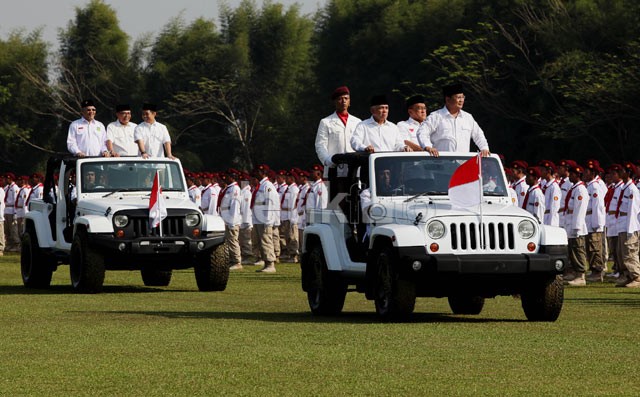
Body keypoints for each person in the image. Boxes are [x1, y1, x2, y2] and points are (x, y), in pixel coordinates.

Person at [417, 83, 490, 157]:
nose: (461, 100)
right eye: (458, 97)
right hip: (441, 163)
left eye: (463, 97)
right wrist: (428, 147)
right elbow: (422, 132)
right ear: (448, 99)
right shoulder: (436, 116)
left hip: (462, 164)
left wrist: (484, 148)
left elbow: (478, 135)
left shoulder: (468, 117)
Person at [315, 86, 362, 182]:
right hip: (334, 169)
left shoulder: (358, 122)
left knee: (353, 195)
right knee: (337, 197)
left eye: (346, 98)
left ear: (349, 101)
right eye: (340, 99)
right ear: (335, 102)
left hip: (354, 170)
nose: (343, 101)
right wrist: (328, 160)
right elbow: (320, 145)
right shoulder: (326, 122)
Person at [614, 162, 640, 288]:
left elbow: (633, 210)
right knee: (621, 252)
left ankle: (636, 276)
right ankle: (628, 275)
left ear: (628, 173)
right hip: (622, 223)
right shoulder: (624, 188)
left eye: (622, 171)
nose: (620, 173)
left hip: (629, 225)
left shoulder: (632, 189)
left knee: (630, 251)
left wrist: (631, 229)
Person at [563, 165, 589, 286]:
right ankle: (575, 272)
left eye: (572, 174)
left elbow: (580, 209)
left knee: (578, 250)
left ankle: (581, 275)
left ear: (577, 175)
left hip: (576, 225)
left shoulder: (580, 190)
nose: (570, 176)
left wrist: (577, 227)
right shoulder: (574, 188)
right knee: (572, 250)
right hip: (570, 223)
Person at [251, 165, 279, 273]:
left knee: (266, 241)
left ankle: (270, 264)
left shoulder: (267, 186)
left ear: (263, 173)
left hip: (265, 219)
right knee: (261, 242)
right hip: (258, 218)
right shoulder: (260, 186)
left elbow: (270, 204)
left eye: (258, 171)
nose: (256, 173)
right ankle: (266, 263)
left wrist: (268, 220)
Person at [583, 160, 607, 282]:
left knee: (595, 247)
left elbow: (598, 206)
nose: (584, 174)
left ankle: (597, 272)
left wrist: (596, 224)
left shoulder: (595, 186)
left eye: (586, 172)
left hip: (593, 220)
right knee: (590, 247)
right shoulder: (589, 185)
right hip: (588, 219)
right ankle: (594, 270)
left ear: (593, 173)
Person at [219, 171, 243, 270]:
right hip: (225, 218)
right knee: (228, 241)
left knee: (233, 240)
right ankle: (231, 260)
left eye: (227, 177)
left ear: (232, 178)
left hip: (231, 219)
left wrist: (232, 222)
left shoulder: (235, 189)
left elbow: (234, 206)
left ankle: (237, 262)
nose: (225, 179)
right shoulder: (229, 189)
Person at [280, 171, 300, 262]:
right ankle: (289, 254)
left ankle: (294, 255)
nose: (286, 179)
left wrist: (292, 219)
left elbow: (293, 205)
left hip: (291, 216)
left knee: (292, 236)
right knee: (287, 236)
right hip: (286, 216)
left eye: (287, 178)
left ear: (292, 179)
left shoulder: (294, 189)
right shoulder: (289, 189)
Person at [538, 160, 561, 227]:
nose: (540, 172)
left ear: (549, 171)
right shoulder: (545, 185)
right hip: (543, 218)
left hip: (549, 220)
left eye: (542, 170)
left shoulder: (554, 187)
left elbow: (554, 208)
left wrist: (552, 226)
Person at [238, 172, 254, 265]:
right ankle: (245, 255)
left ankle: (248, 256)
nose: (240, 182)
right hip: (242, 220)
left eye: (241, 180)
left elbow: (247, 208)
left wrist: (246, 221)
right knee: (243, 239)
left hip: (246, 220)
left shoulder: (247, 192)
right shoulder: (243, 191)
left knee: (247, 239)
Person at [3, 172, 20, 252]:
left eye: (7, 178)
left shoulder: (15, 187)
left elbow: (16, 200)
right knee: (7, 230)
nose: (5, 180)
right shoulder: (6, 188)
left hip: (11, 209)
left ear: (11, 179)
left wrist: (15, 213)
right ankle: (9, 244)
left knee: (13, 229)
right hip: (6, 209)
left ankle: (16, 245)